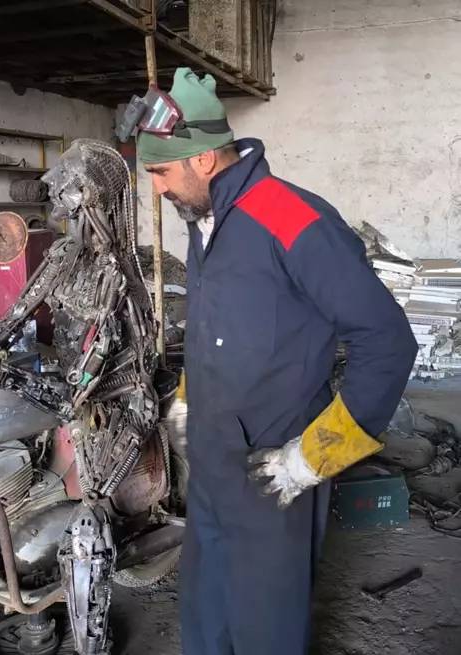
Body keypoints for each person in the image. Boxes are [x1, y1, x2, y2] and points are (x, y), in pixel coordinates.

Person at [132, 68, 417, 654]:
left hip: (271, 469)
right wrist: (187, 401)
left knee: (265, 623)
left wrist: (312, 458)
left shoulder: (289, 218)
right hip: (212, 460)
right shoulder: (205, 217)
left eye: (160, 173)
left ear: (204, 160)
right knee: (207, 609)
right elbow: (219, 326)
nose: (156, 190)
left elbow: (387, 341)